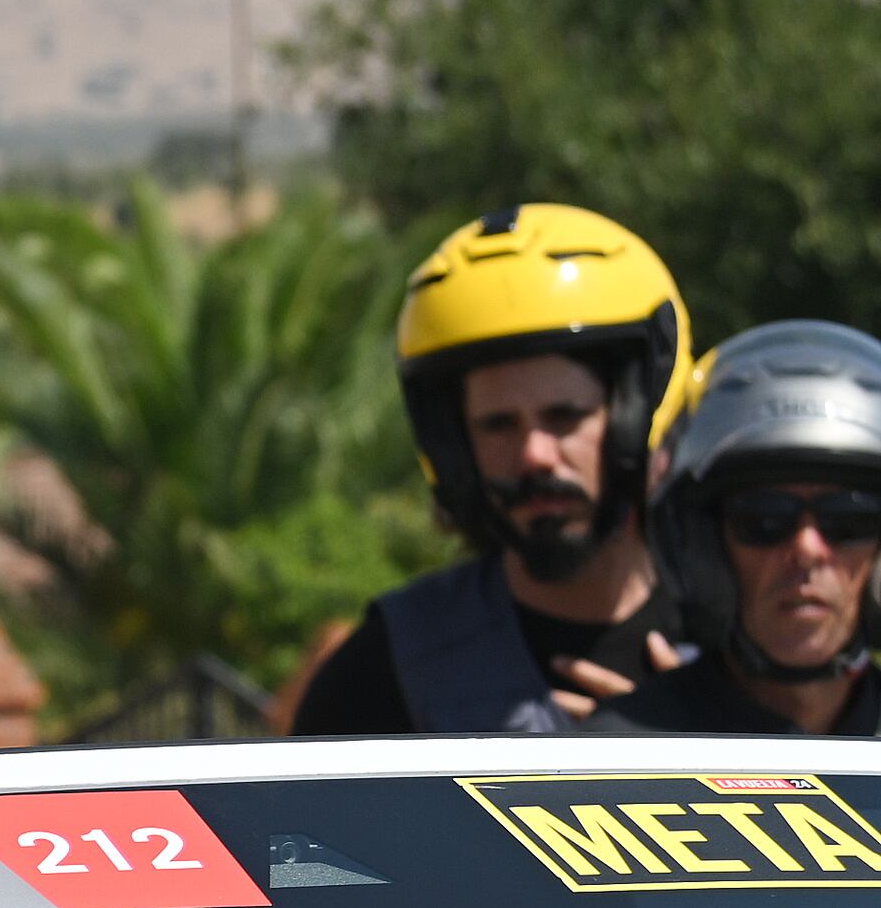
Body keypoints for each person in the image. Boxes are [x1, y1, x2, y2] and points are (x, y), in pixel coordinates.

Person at [293, 205, 694, 739]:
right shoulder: (386, 670)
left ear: (638, 417)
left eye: (564, 417)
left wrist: (712, 740)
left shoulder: (749, 644)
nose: (534, 456)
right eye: (497, 425)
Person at [616, 322, 881, 740]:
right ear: (703, 547)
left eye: (848, 522)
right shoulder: (615, 764)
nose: (808, 550)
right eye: (764, 521)